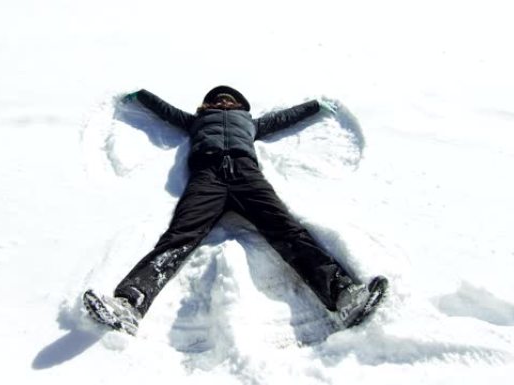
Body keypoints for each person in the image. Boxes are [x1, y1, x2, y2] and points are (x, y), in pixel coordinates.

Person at [83, 86, 388, 335]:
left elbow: (283, 118)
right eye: (217, 97)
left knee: (287, 230)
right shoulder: (196, 121)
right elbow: (165, 110)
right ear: (207, 105)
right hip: (207, 176)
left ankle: (344, 295)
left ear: (241, 105)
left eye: (230, 98)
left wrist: (314, 106)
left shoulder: (251, 124)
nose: (224, 100)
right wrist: (142, 95)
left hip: (246, 175)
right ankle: (129, 304)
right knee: (179, 237)